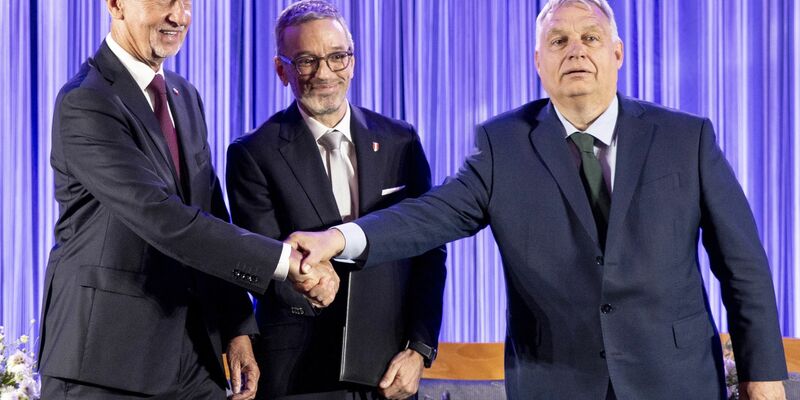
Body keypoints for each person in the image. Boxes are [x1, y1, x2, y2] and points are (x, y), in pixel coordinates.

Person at [287, 0, 788, 399]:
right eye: (558, 40)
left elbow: (743, 265)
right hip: (555, 380)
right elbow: (430, 215)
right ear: (537, 61)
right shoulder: (503, 145)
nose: (576, 50)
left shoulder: (686, 137)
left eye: (590, 37)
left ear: (617, 53)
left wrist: (763, 374)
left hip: (676, 380)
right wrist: (337, 238)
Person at [38, 0, 339, 399]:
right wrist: (287, 262)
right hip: (105, 362)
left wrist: (236, 329)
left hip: (193, 358)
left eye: (186, 3)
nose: (178, 16)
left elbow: (210, 213)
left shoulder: (183, 95)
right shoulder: (87, 101)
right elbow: (165, 219)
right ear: (115, 5)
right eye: (164, 0)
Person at [225, 2, 446, 399]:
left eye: (337, 56)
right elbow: (262, 260)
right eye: (307, 60)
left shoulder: (401, 140)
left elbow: (429, 252)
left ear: (353, 60)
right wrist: (310, 282)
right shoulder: (253, 153)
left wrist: (419, 348)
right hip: (299, 373)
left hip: (389, 369)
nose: (325, 73)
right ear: (281, 70)